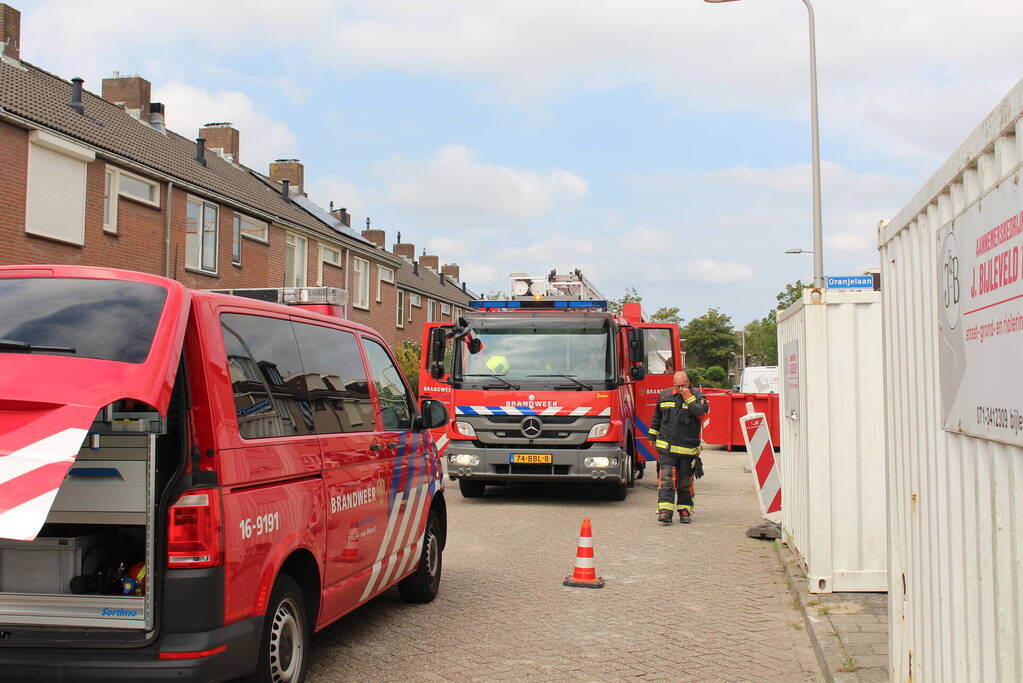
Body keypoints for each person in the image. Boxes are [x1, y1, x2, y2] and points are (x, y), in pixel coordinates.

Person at [648, 371, 709, 525]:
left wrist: (688, 397)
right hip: (666, 448)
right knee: (666, 479)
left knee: (685, 482)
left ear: (689, 382)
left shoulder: (698, 397)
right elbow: (657, 417)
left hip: (687, 450)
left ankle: (684, 511)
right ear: (673, 384)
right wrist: (652, 435)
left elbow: (701, 413)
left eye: (684, 385)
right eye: (678, 385)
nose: (681, 388)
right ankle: (665, 512)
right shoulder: (664, 395)